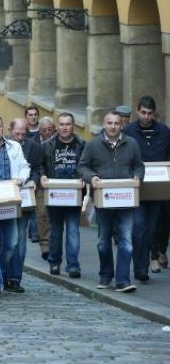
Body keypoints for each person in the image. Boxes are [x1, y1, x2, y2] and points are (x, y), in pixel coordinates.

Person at [78, 110, 144, 293]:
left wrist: (139, 177)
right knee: (103, 242)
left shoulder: (131, 144)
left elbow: (139, 165)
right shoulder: (93, 145)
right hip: (103, 200)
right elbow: (82, 166)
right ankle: (106, 275)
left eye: (117, 123)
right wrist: (92, 178)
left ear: (121, 124)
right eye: (110, 123)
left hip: (126, 200)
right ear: (104, 124)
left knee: (126, 241)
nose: (113, 126)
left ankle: (123, 280)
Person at [123, 95, 170, 282]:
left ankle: (151, 257)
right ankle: (140, 268)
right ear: (137, 111)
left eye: (149, 113)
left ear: (154, 113)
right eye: (143, 112)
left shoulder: (164, 132)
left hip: (158, 188)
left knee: (152, 229)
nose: (146, 117)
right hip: (137, 188)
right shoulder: (128, 132)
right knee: (139, 228)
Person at [0, 115, 29, 297]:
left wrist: (21, 178)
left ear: (3, 129)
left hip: (9, 200)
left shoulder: (14, 147)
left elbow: (25, 167)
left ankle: (0, 273)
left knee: (11, 243)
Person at [41, 112, 85, 278]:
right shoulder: (47, 145)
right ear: (56, 127)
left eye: (68, 124)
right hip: (55, 194)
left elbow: (87, 165)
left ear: (72, 125)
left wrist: (84, 179)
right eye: (62, 124)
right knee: (56, 231)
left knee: (73, 230)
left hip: (75, 194)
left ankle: (73, 265)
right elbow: (41, 165)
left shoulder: (81, 144)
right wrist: (43, 175)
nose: (65, 127)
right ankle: (54, 262)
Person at [4, 117, 42, 293]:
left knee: (19, 241)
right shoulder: (2, 145)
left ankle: (15, 278)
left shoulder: (33, 147)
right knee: (5, 242)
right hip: (3, 198)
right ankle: (2, 275)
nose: (20, 137)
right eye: (16, 133)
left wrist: (34, 180)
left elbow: (37, 169)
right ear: (10, 131)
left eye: (23, 133)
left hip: (24, 199)